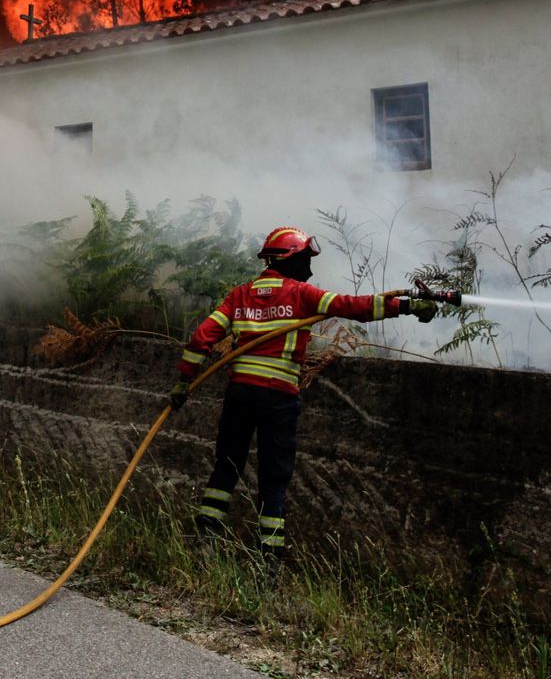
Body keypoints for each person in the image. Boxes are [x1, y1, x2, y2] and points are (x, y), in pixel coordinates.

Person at [169, 225, 436, 562]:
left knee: (227, 465)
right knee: (274, 478)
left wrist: (184, 381)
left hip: (240, 396)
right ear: (291, 260)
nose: (309, 268)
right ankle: (268, 563)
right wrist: (409, 307)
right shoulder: (301, 294)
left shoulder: (239, 295)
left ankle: (205, 542)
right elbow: (353, 306)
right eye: (306, 259)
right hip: (277, 398)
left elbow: (201, 339)